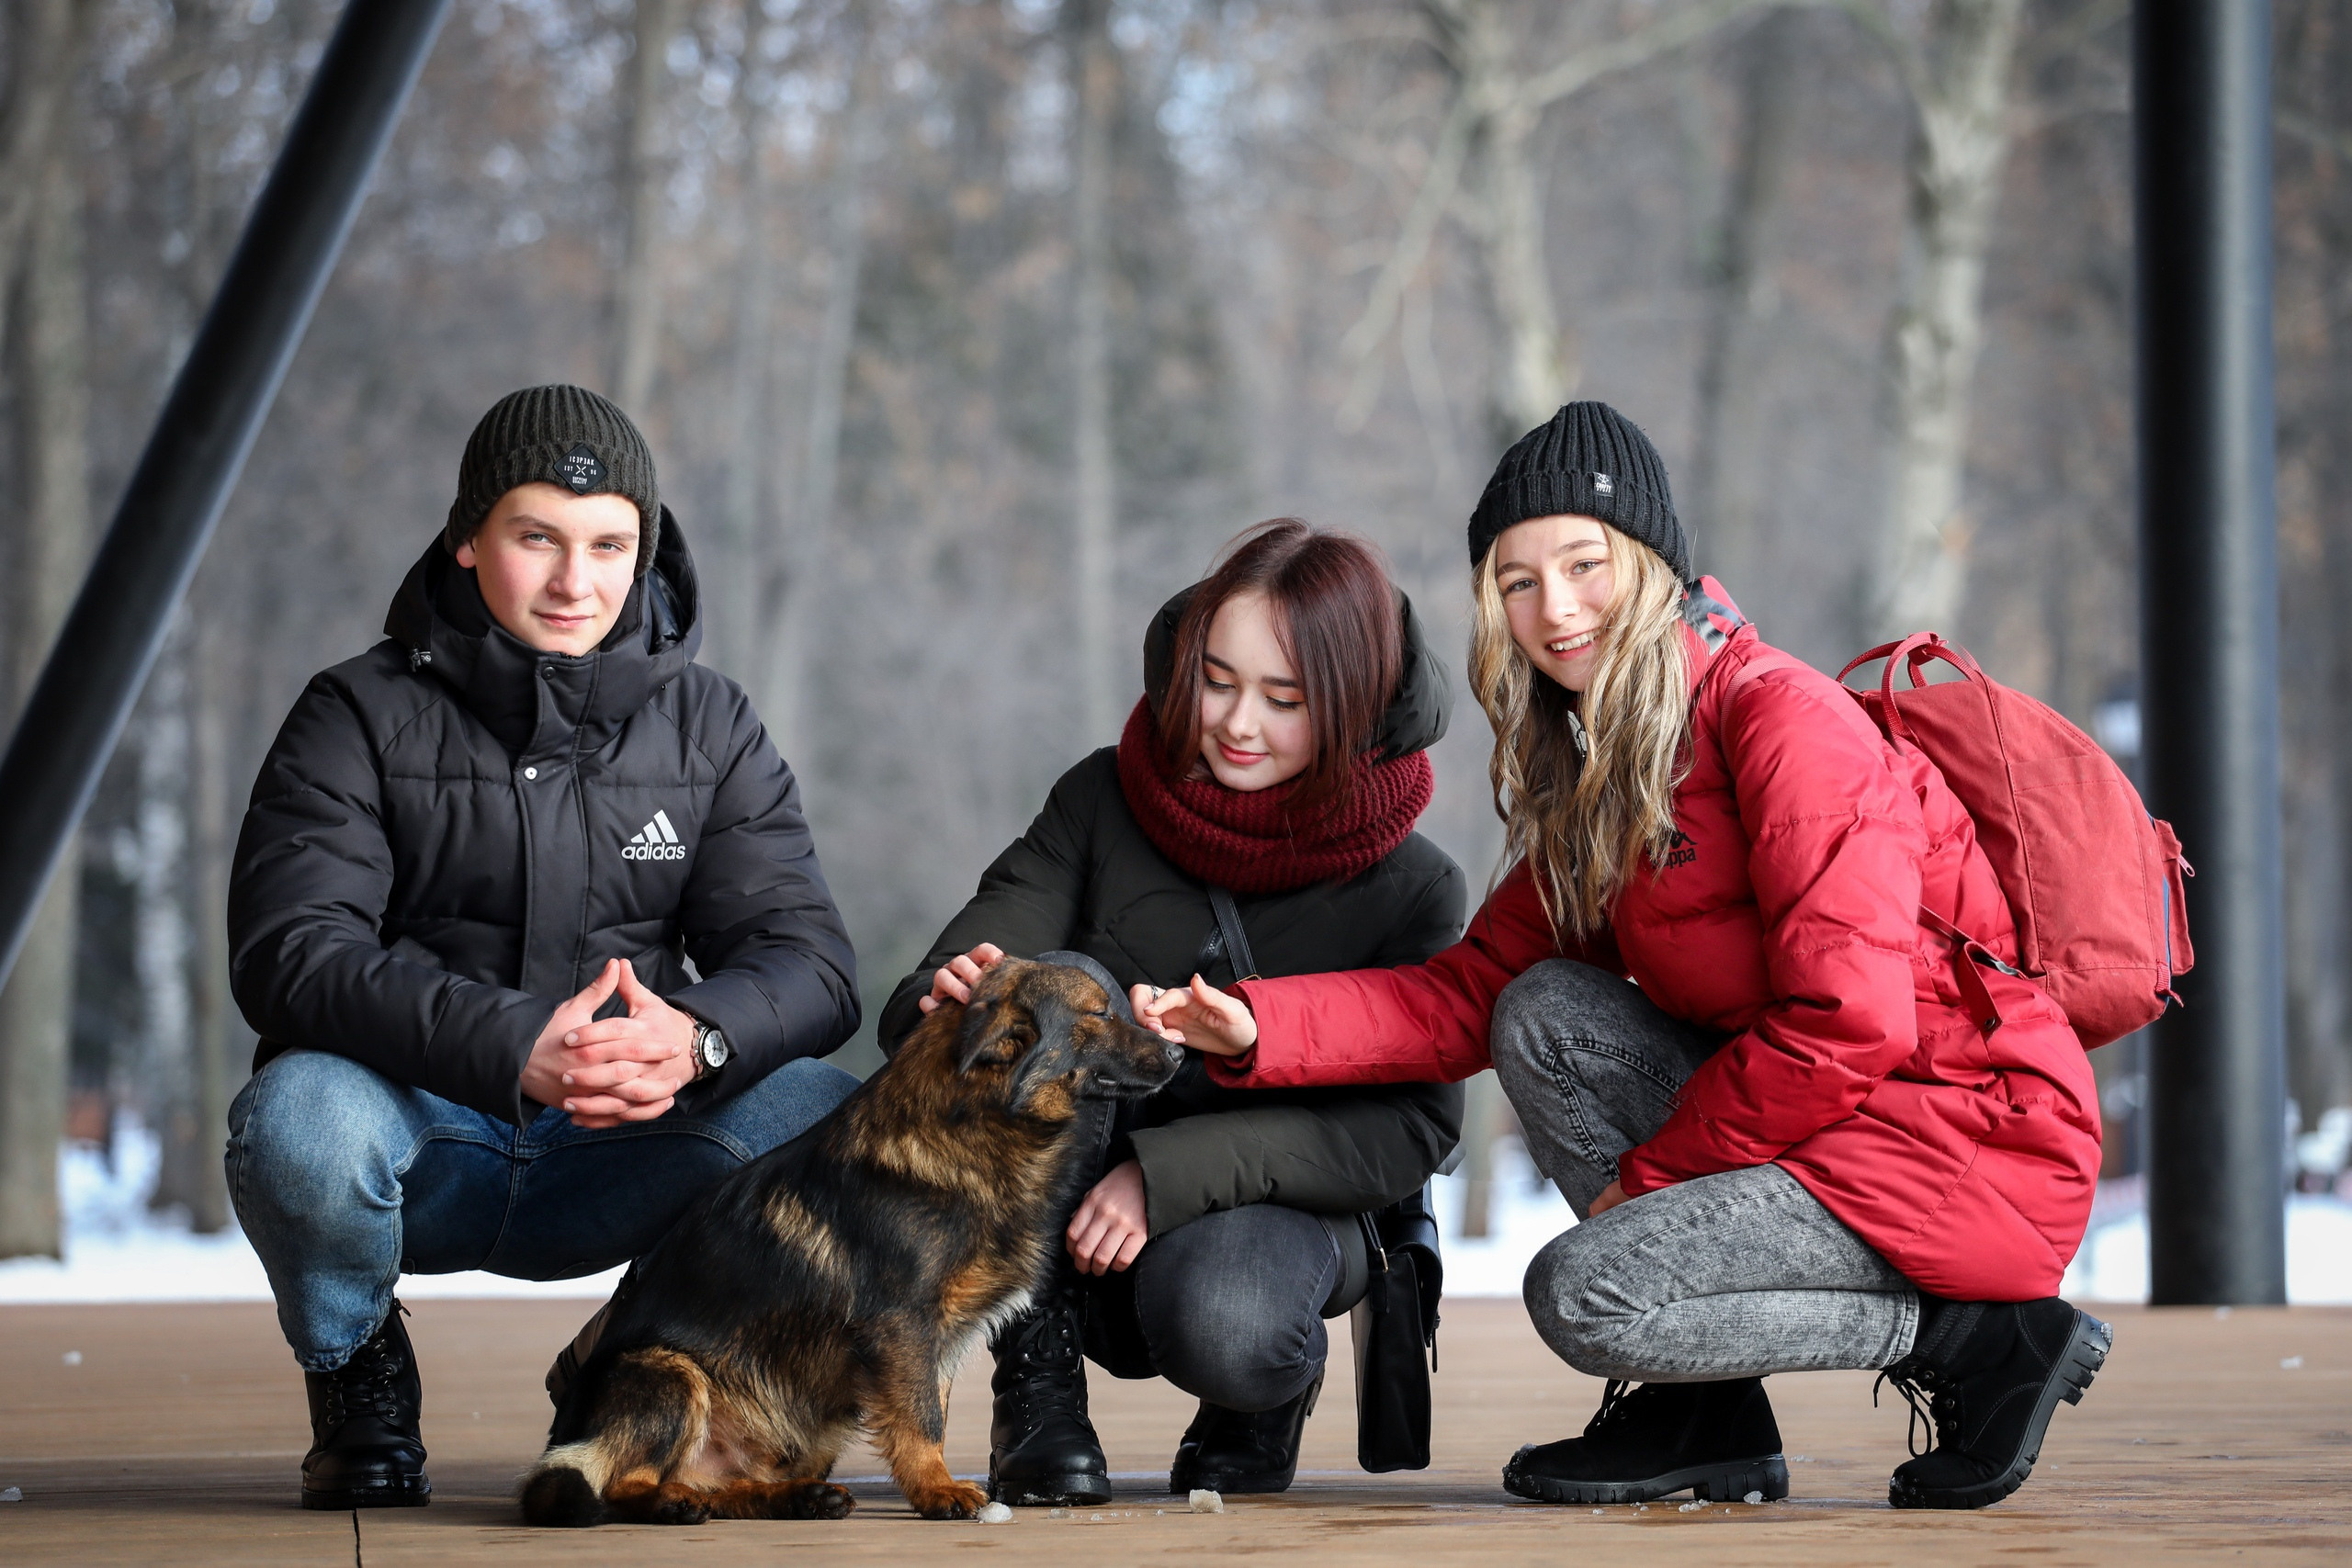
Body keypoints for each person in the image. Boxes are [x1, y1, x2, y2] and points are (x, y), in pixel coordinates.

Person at [1139, 403, 2109, 1512]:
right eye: (1515, 581)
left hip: (1969, 1134)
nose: (1553, 610)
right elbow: (1474, 993)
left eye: (1583, 565)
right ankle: (1704, 1414)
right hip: (1842, 1122)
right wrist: (1257, 1024)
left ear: (1652, 567)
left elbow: (1851, 1020)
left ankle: (1980, 1335)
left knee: (1581, 1294)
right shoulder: (1616, 766)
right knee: (1546, 1011)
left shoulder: (1783, 725)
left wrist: (1646, 1191)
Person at [224, 386, 862, 1510]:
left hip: (630, 1137)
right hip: (422, 1133)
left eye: (611, 545)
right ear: (470, 539)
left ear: (646, 551)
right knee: (298, 1119)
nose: (578, 583)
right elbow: (289, 951)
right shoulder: (354, 712)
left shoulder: (710, 724)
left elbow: (810, 962)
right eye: (538, 539)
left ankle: (629, 1364)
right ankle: (358, 1374)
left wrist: (697, 1039)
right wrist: (513, 1043)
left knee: (832, 1115)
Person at [878, 521, 1465, 1506]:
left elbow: (1412, 1127)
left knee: (1234, 1323)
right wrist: (941, 999)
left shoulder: (1414, 889)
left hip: (1263, 1220)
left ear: (1359, 712)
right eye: (1216, 680)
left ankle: (1260, 1400)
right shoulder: (1102, 798)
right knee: (1056, 987)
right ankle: (1038, 1390)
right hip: (1060, 1217)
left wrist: (1166, 1179)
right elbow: (976, 950)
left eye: (1284, 701)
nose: (1236, 723)